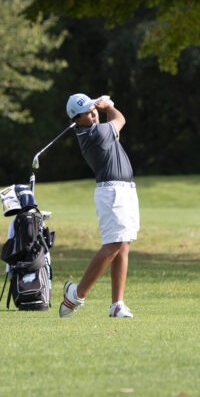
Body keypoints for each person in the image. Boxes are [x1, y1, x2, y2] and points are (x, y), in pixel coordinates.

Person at [59, 93, 140, 319]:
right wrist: (108, 106)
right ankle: (77, 294)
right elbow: (120, 119)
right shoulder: (94, 133)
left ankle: (117, 304)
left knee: (123, 245)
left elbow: (116, 129)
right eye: (87, 112)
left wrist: (100, 106)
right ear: (77, 120)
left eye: (92, 109)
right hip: (112, 193)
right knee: (113, 245)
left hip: (124, 190)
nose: (93, 113)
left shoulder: (95, 129)